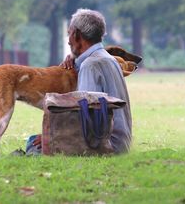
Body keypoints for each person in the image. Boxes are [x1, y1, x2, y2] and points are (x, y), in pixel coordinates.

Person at [25, 8, 132, 155]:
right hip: (122, 142)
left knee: (33, 144)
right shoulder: (109, 59)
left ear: (76, 34)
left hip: (105, 144)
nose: (68, 40)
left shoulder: (90, 65)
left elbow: (85, 118)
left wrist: (52, 136)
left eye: (69, 33)